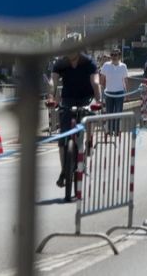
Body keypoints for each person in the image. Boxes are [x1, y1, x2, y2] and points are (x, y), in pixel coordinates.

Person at [49, 33, 101, 186]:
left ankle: (87, 144)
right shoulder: (60, 63)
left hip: (86, 98)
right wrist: (51, 97)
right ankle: (64, 171)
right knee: (62, 139)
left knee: (87, 120)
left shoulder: (89, 62)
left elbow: (96, 82)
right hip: (68, 99)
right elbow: (53, 80)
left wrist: (99, 100)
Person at [101, 48, 129, 116]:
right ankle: (110, 127)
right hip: (109, 93)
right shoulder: (106, 65)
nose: (113, 57)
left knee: (118, 113)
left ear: (119, 56)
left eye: (115, 55)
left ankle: (116, 127)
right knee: (109, 114)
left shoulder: (123, 66)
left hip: (120, 93)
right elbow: (102, 80)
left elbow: (126, 81)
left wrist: (127, 94)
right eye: (112, 55)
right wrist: (102, 93)